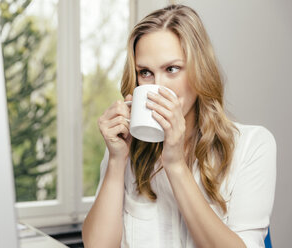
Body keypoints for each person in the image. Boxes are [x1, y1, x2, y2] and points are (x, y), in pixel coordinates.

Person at [82, 4, 276, 248]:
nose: (158, 86)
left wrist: (175, 165)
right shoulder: (126, 148)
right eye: (145, 72)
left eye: (172, 69)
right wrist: (115, 160)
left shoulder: (252, 145)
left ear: (199, 71)